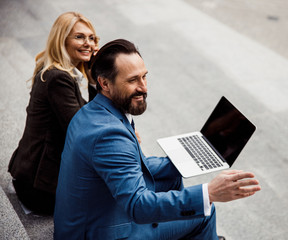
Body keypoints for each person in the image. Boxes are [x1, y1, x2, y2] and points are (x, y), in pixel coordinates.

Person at [54, 39, 261, 239]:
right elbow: (138, 205)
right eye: (133, 80)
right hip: (97, 233)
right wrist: (209, 193)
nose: (143, 88)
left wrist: (182, 161)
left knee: (173, 178)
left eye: (144, 76)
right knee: (205, 212)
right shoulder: (108, 135)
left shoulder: (93, 112)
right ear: (104, 83)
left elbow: (130, 164)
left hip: (91, 217)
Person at [8, 12, 100, 215]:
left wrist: (93, 79)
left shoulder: (56, 71)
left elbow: (88, 116)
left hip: (32, 177)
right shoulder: (58, 78)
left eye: (91, 38)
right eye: (79, 37)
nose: (89, 44)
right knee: (113, 195)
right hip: (40, 189)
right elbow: (83, 131)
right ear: (62, 40)